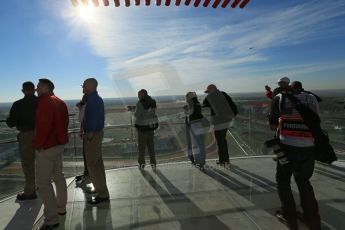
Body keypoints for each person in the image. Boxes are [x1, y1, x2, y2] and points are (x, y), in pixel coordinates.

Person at [269, 85, 321, 230]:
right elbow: (316, 120)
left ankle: (289, 216)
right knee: (304, 181)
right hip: (309, 147)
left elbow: (273, 126)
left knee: (283, 181)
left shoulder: (280, 98)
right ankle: (312, 219)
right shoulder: (311, 98)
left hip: (288, 147)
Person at [33, 78, 68, 230]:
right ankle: (61, 207)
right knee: (58, 175)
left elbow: (43, 125)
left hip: (47, 147)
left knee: (43, 183)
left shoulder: (45, 101)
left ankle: (52, 219)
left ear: (46, 87)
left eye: (39, 86)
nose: (36, 88)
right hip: (59, 145)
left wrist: (38, 145)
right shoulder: (60, 101)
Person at [6, 81, 37, 200]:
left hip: (27, 136)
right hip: (42, 134)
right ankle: (40, 185)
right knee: (41, 162)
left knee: (28, 163)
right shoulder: (41, 102)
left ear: (23, 91)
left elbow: (10, 123)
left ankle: (30, 191)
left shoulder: (18, 104)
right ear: (34, 90)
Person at [82, 78, 109, 204]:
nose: (83, 88)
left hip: (93, 134)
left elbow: (92, 118)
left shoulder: (92, 100)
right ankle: (100, 189)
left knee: (93, 164)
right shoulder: (95, 99)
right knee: (97, 164)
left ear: (90, 86)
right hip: (96, 134)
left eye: (84, 86)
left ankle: (102, 194)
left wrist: (90, 134)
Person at [202, 84, 238, 166]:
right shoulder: (223, 94)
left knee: (220, 140)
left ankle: (222, 160)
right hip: (226, 120)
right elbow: (233, 105)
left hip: (218, 121)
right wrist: (232, 116)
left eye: (208, 91)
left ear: (211, 90)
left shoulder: (210, 97)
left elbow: (204, 104)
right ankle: (226, 159)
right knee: (223, 139)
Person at [134, 89, 158, 169]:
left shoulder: (140, 103)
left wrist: (134, 111)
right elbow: (151, 112)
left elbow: (137, 114)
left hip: (142, 128)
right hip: (151, 127)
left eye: (139, 95)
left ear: (142, 95)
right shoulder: (152, 101)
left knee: (141, 147)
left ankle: (141, 164)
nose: (138, 97)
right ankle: (153, 163)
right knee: (151, 147)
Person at [185, 92, 207, 170]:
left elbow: (190, 115)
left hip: (194, 125)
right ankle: (200, 161)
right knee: (200, 143)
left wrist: (186, 111)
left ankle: (200, 162)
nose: (186, 99)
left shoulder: (191, 104)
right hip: (199, 124)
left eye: (187, 97)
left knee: (198, 144)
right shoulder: (197, 103)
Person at [75, 94, 90, 185]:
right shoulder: (93, 105)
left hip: (88, 134)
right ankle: (88, 175)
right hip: (90, 133)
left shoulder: (85, 107)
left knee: (86, 156)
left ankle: (87, 176)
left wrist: (81, 108)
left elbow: (80, 119)